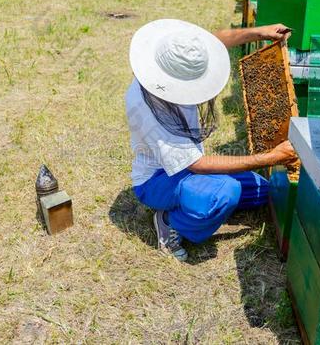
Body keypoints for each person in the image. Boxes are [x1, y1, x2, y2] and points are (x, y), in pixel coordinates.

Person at [125, 19, 297, 262]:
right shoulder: (145, 107)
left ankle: (196, 200)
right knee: (224, 193)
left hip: (188, 169)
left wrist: (259, 32)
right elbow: (196, 164)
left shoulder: (171, 53)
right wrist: (269, 158)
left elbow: (213, 42)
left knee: (262, 191)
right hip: (157, 179)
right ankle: (169, 221)